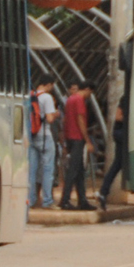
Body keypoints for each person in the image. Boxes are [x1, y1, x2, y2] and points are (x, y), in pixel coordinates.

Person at [59, 79, 95, 211]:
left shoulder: (70, 99)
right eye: (90, 92)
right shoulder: (79, 101)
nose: (90, 95)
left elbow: (65, 120)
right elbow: (81, 121)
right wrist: (88, 141)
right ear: (87, 89)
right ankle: (65, 200)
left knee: (80, 171)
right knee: (73, 170)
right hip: (77, 138)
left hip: (70, 138)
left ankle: (82, 200)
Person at [28, 78, 59, 208]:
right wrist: (56, 113)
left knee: (32, 170)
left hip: (32, 136)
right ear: (48, 84)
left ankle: (31, 200)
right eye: (52, 85)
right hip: (45, 136)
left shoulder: (31, 95)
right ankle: (47, 200)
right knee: (47, 169)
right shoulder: (47, 97)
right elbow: (50, 119)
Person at [97, 92, 129, 211]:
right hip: (122, 133)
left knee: (119, 164)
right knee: (118, 164)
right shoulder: (126, 99)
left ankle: (103, 192)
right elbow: (118, 117)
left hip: (123, 133)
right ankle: (103, 191)